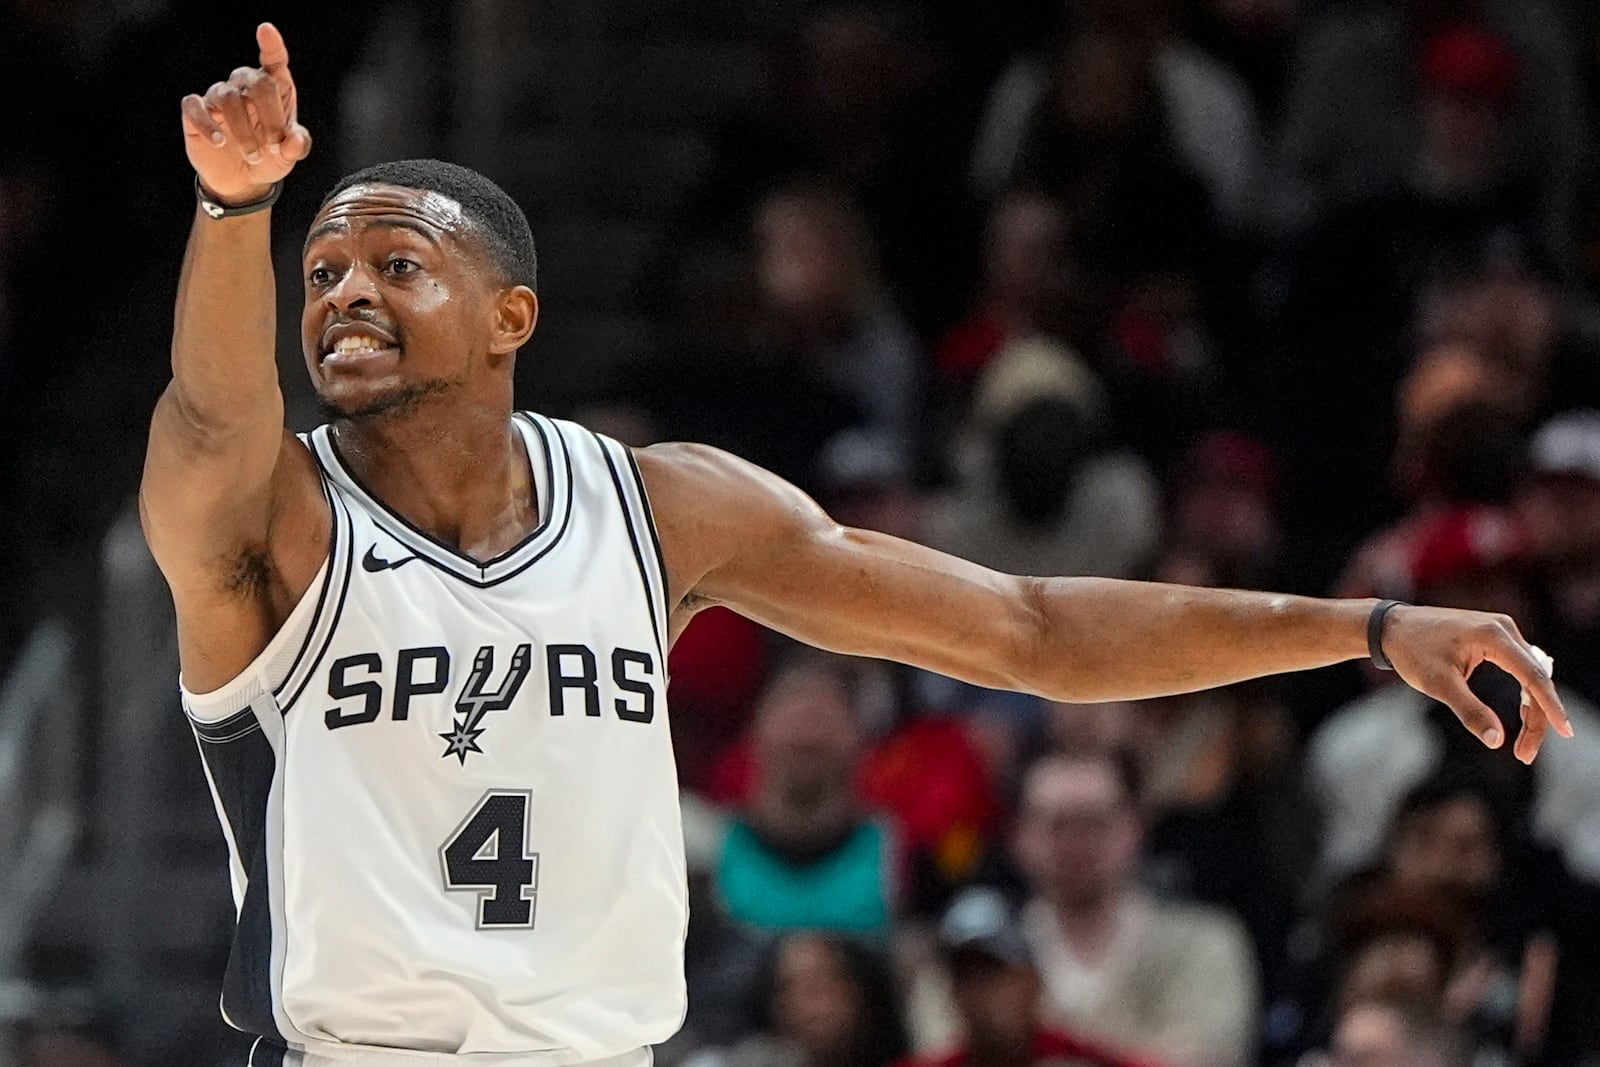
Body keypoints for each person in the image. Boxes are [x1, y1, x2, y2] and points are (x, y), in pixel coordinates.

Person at [143, 24, 1570, 1065]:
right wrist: (232, 207)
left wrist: (1368, 626)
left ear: (513, 320)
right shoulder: (283, 523)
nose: (344, 294)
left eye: (398, 265)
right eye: (321, 270)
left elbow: (1026, 630)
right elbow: (211, 420)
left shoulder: (662, 507)